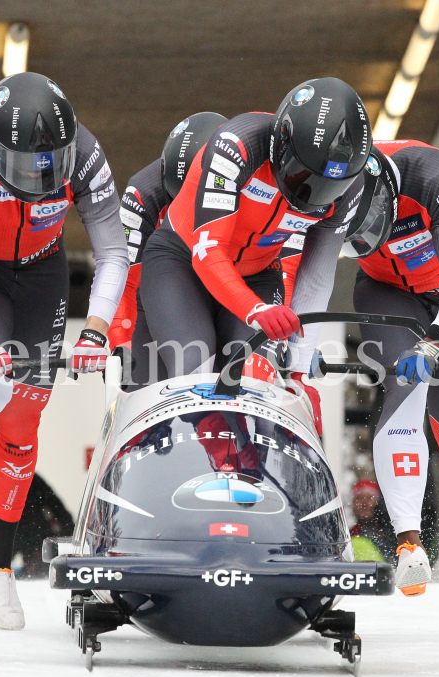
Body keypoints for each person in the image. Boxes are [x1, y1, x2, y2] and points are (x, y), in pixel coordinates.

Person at [0, 72, 128, 628]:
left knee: (21, 427)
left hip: (43, 275)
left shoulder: (86, 155)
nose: (34, 182)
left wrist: (96, 328)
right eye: (18, 169)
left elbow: (113, 252)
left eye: (46, 168)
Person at [137, 78, 376, 435]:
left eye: (330, 186)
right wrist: (256, 309)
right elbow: (208, 250)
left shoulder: (352, 186)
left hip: (259, 273)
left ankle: (250, 473)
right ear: (282, 144)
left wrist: (297, 368)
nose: (314, 194)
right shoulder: (236, 147)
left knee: (254, 382)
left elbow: (317, 274)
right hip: (182, 263)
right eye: (303, 174)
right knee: (196, 371)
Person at [341, 139, 439, 597]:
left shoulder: (433, 175)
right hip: (387, 293)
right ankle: (411, 544)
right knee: (406, 387)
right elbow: (310, 271)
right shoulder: (322, 191)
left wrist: (435, 341)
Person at [106, 111, 228, 388]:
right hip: (165, 288)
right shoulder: (142, 193)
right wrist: (120, 340)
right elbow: (121, 271)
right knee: (155, 375)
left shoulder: (250, 182)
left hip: (230, 282)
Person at [348, 479, 397, 563]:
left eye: (369, 497)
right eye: (359, 498)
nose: (364, 503)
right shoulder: (351, 535)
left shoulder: (394, 530)